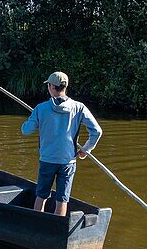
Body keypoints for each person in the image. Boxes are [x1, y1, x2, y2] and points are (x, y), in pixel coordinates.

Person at [21, 71, 102, 216]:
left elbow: (26, 131)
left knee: (41, 195)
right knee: (62, 199)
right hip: (68, 162)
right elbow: (97, 132)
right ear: (65, 87)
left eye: (48, 86)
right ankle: (57, 228)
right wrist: (86, 149)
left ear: (52, 87)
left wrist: (30, 121)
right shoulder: (79, 107)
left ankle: (37, 224)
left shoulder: (41, 108)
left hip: (47, 160)